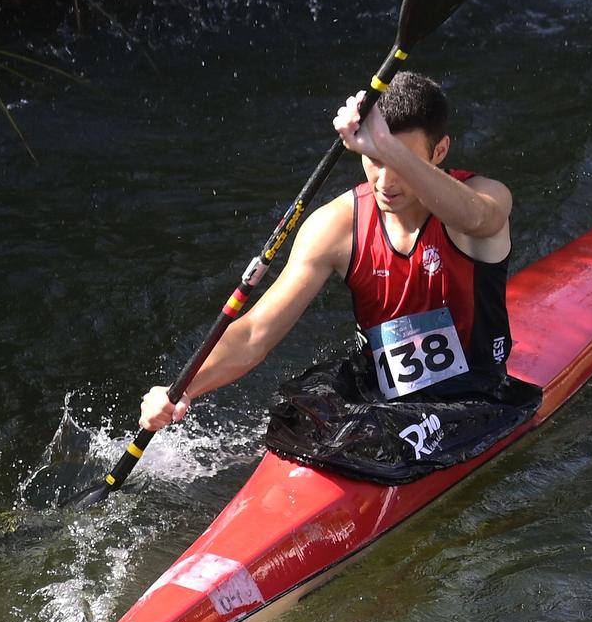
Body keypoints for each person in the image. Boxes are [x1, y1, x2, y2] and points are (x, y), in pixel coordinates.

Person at [139, 72, 516, 435]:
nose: (386, 181)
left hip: (474, 396)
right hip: (383, 400)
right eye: (375, 158)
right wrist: (181, 389)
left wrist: (385, 147)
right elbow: (255, 334)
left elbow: (477, 217)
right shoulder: (336, 225)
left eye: (401, 160)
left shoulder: (484, 199)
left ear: (440, 151)